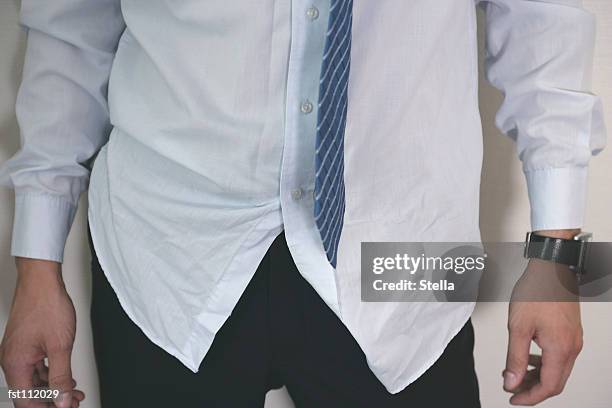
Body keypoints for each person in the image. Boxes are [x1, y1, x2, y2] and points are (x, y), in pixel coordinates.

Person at [0, 1, 606, 407]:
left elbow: (541, 19)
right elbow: (69, 29)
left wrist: (557, 255)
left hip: (408, 248)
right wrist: (35, 264)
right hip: (167, 247)